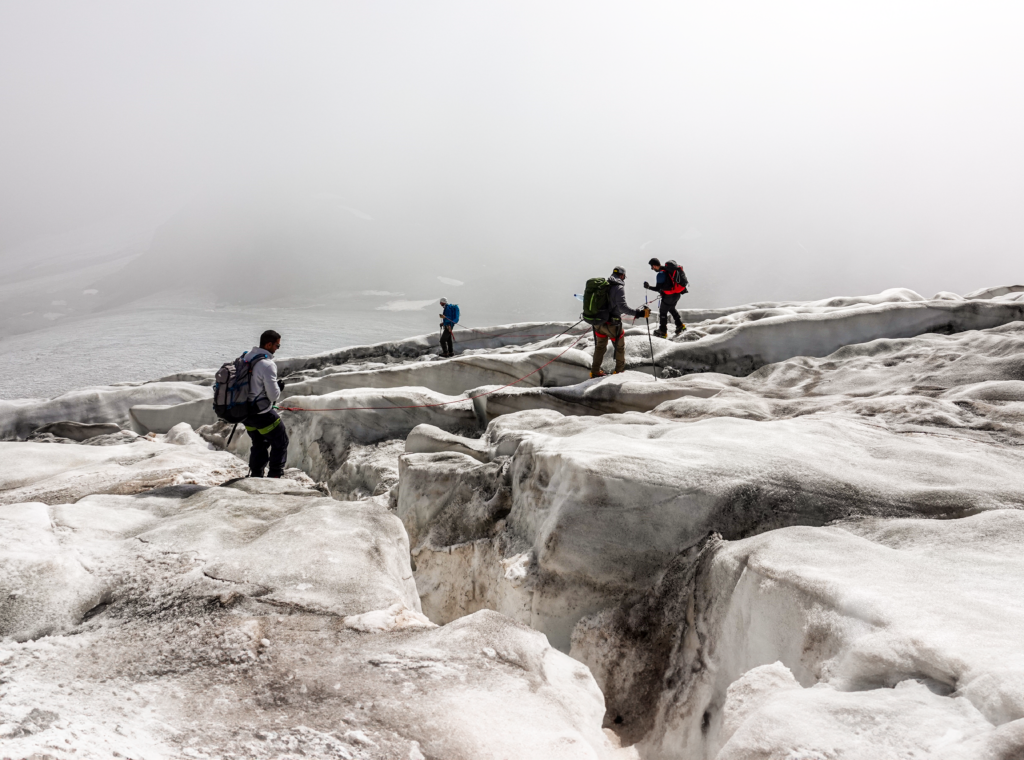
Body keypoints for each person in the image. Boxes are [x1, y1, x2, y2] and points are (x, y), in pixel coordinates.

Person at [242, 330, 288, 478]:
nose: (277, 349)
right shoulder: (267, 365)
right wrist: (278, 388)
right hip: (261, 413)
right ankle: (275, 476)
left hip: (244, 413)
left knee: (259, 442)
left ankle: (256, 474)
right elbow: (273, 395)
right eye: (277, 345)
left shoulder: (246, 357)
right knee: (280, 441)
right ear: (268, 344)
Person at [591, 266, 650, 377]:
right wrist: (639, 313)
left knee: (600, 347)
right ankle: (619, 372)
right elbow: (623, 308)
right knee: (619, 347)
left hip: (599, 323)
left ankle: (594, 371)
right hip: (612, 324)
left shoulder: (604, 285)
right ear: (622, 275)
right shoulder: (618, 287)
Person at [644, 258, 686, 338]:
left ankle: (663, 331)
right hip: (677, 294)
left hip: (669, 296)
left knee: (663, 312)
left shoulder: (661, 274)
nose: (652, 269)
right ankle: (680, 325)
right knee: (671, 308)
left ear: (655, 265)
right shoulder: (668, 270)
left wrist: (648, 287)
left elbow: (657, 288)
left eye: (652, 267)